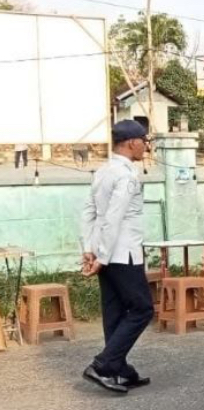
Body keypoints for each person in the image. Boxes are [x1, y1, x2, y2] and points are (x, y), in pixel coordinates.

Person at [78, 120, 153, 394]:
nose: (146, 145)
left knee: (115, 312)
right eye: (144, 140)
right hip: (122, 253)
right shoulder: (127, 175)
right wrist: (104, 256)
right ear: (132, 142)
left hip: (105, 250)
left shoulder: (103, 171)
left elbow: (89, 211)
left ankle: (120, 371)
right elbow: (114, 217)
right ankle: (104, 365)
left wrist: (89, 248)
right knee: (142, 309)